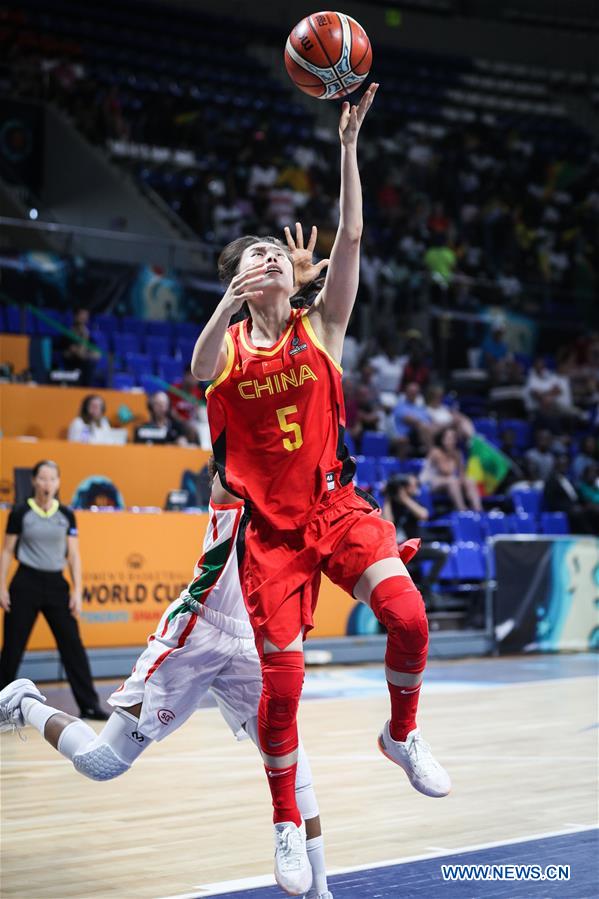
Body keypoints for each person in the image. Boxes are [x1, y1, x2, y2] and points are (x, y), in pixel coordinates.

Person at [192, 83, 450, 895]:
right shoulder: (227, 349)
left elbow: (354, 236)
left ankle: (400, 733)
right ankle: (283, 822)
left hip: (336, 507)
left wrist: (347, 144)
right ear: (236, 280)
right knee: (283, 689)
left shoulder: (321, 327)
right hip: (268, 535)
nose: (272, 256)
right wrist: (226, 302)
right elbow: (197, 368)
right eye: (255, 255)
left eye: (277, 252)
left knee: (409, 616)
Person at [0, 470, 333, 899]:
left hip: (250, 641)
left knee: (294, 766)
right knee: (101, 763)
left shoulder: (300, 500)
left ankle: (320, 892)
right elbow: (231, 468)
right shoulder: (232, 486)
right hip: (197, 634)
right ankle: (24, 700)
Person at [0, 461, 107, 720]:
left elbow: (74, 555)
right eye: (42, 478)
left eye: (52, 479)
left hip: (56, 585)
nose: (47, 484)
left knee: (73, 646)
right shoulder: (21, 512)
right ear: (34, 481)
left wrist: (77, 591)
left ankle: (89, 705)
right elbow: (7, 551)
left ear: (58, 483)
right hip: (25, 582)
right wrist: (1, 586)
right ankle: (2, 706)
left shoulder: (66, 514)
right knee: (12, 648)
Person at [382, 474, 449, 609]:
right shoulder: (390, 504)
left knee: (442, 554)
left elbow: (424, 515)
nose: (415, 487)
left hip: (413, 547)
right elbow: (388, 523)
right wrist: (388, 498)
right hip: (394, 551)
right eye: (412, 485)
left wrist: (405, 499)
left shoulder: (412, 502)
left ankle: (427, 585)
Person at [421, 427, 482, 512]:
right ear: (442, 440)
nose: (452, 441)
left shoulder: (457, 453)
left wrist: (463, 480)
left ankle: (478, 510)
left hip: (448, 480)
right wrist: (453, 456)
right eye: (449, 438)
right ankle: (462, 510)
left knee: (469, 481)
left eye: (454, 438)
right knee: (452, 481)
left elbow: (462, 474)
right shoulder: (436, 452)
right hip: (430, 482)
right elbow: (445, 471)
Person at [543, 455, 599, 535]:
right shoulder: (551, 481)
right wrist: (570, 507)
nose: (564, 467)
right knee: (579, 513)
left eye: (566, 465)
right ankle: (590, 536)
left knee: (594, 510)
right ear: (556, 465)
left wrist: (587, 504)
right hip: (566, 508)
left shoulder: (568, 479)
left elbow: (576, 496)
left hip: (576, 506)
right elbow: (552, 501)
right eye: (562, 464)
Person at [60, 308, 101, 386]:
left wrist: (86, 354)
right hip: (71, 366)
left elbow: (97, 355)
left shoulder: (90, 337)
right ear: (75, 317)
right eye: (82, 315)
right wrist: (84, 337)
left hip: (84, 368)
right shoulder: (67, 335)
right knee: (88, 364)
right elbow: (80, 354)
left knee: (91, 364)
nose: (84, 318)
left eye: (86, 316)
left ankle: (87, 389)